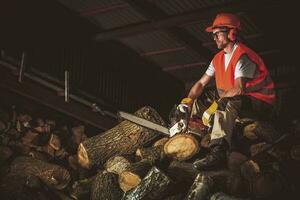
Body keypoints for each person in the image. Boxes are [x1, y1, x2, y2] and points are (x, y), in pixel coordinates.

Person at [177, 13, 276, 170]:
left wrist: (216, 105)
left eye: (217, 34)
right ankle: (185, 129)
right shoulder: (217, 58)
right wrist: (188, 101)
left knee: (225, 103)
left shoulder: (242, 56)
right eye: (213, 35)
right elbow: (201, 83)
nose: (214, 38)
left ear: (231, 33)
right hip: (236, 97)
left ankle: (218, 152)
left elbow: (239, 89)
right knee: (201, 99)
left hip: (259, 102)